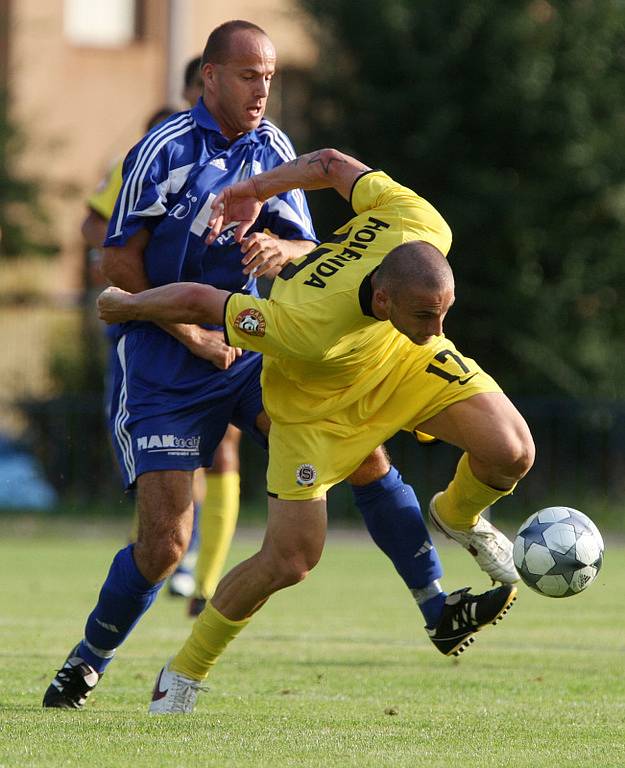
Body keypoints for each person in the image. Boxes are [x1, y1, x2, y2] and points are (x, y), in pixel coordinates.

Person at [43, 21, 491, 711]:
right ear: (211, 77)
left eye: (270, 77)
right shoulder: (162, 151)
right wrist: (189, 332)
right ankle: (89, 658)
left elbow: (311, 256)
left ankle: (435, 605)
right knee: (165, 545)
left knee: (363, 454)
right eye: (249, 76)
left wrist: (282, 254)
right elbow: (117, 264)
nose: (261, 91)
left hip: (255, 350)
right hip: (165, 363)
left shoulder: (274, 148)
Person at [96, 145, 534, 714]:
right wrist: (128, 306)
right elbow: (204, 298)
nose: (439, 325)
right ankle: (182, 674)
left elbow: (328, 164)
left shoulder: (421, 223)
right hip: (313, 411)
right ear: (381, 298)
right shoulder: (305, 322)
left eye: (443, 312)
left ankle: (458, 515)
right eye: (427, 313)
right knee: (291, 560)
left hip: (400, 363)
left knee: (512, 451)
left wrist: (256, 189)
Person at [81, 62, 241, 611]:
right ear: (200, 86)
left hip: (218, 326)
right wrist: (139, 242)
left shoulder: (247, 153)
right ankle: (168, 550)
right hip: (148, 323)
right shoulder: (154, 145)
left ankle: (207, 577)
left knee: (223, 451)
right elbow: (93, 227)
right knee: (157, 452)